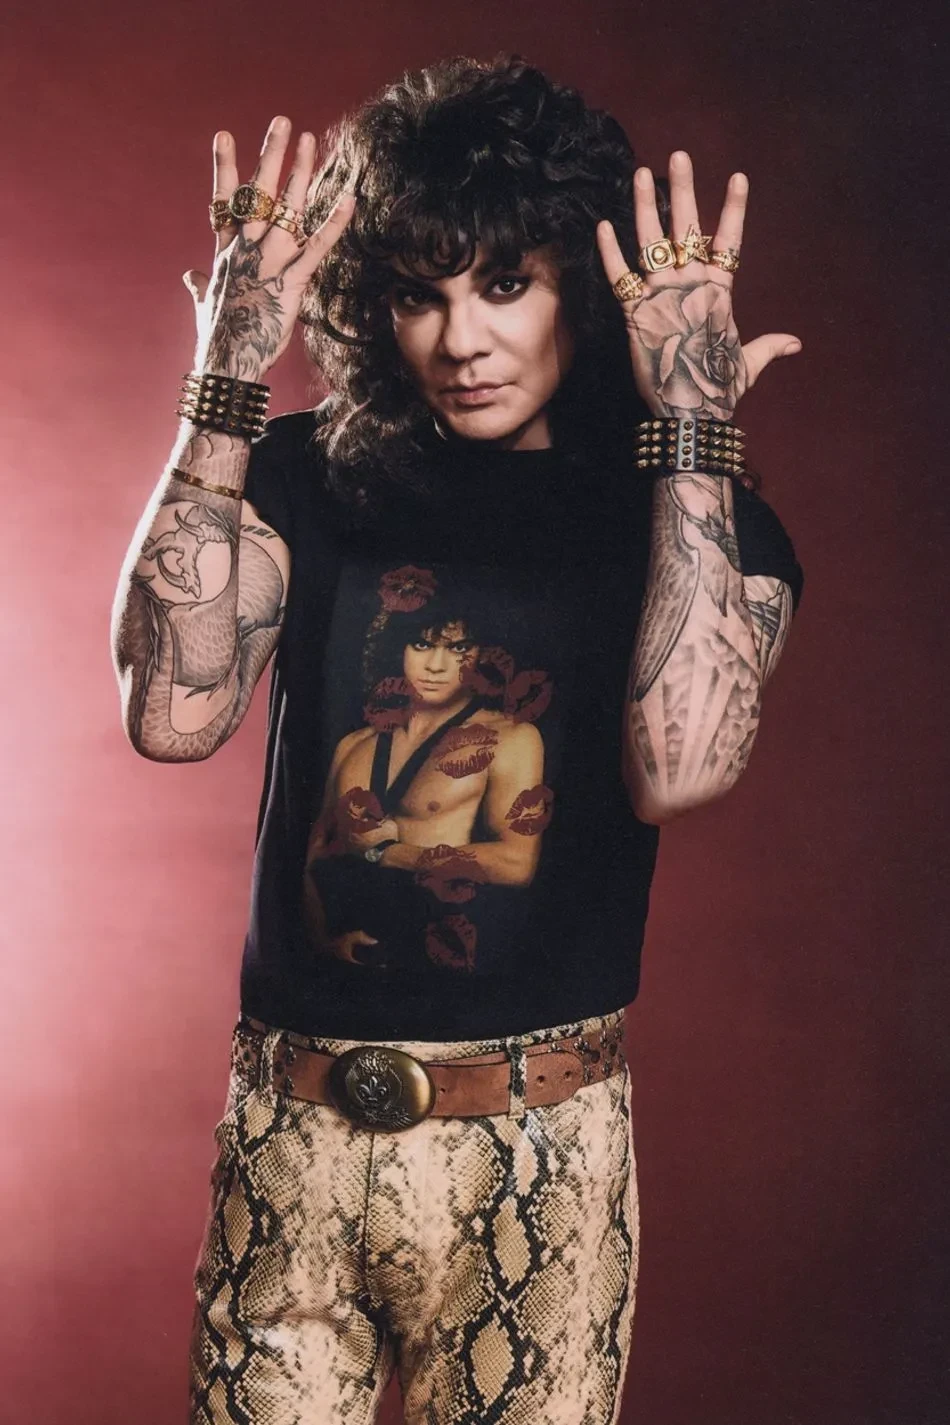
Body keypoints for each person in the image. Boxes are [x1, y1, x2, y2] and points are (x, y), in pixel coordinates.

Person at [111, 53, 805, 1425]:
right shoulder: (305, 473)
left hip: (538, 1151)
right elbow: (169, 717)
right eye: (419, 293)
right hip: (295, 1133)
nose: (461, 340)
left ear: (578, 291)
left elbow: (679, 770)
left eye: (504, 284)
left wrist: (690, 430)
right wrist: (225, 374)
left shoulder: (686, 523)